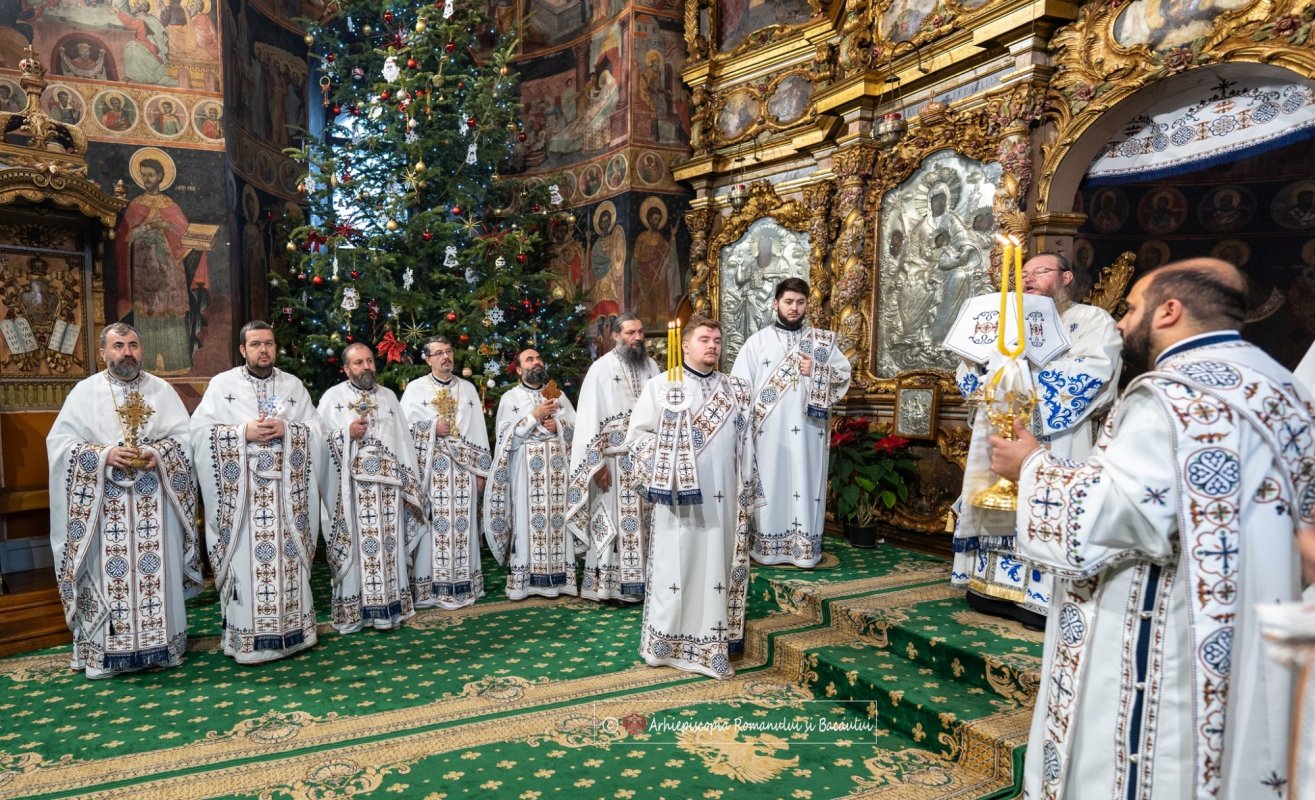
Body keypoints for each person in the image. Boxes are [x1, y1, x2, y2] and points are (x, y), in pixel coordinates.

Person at [988, 258, 1315, 800]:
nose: (1121, 322)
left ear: (1170, 310)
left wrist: (1031, 466)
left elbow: (1109, 518)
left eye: (1134, 307)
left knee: (1154, 761)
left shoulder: (1167, 397)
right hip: (1257, 615)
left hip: (1168, 623)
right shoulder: (1284, 389)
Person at [951, 252, 1121, 629]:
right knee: (997, 501)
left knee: (1043, 503)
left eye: (1040, 271)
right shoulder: (1004, 324)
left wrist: (1019, 379)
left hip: (1058, 438)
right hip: (1001, 430)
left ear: (1066, 278)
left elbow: (1094, 371)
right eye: (1023, 273)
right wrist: (991, 371)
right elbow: (967, 366)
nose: (1028, 278)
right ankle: (988, 587)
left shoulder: (1091, 320)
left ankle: (1039, 599)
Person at [47, 323, 203, 678]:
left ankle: (160, 648)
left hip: (155, 507)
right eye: (118, 346)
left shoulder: (161, 391)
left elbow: (184, 440)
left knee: (155, 578)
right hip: (105, 510)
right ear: (103, 352)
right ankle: (105, 653)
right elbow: (60, 447)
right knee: (107, 579)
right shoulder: (85, 393)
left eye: (133, 345)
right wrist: (103, 456)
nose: (127, 352)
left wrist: (157, 452)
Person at [626, 317, 757, 679]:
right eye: (704, 339)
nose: (712, 345)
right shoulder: (661, 387)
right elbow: (636, 440)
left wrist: (748, 493)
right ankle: (667, 644)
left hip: (724, 499)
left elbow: (747, 446)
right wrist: (669, 452)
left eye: (717, 340)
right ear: (684, 345)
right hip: (678, 502)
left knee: (718, 567)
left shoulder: (736, 390)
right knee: (676, 567)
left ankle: (715, 644)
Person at [190, 321, 322, 663]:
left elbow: (317, 431)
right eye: (256, 344)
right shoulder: (223, 385)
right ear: (242, 349)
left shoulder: (292, 386)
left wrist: (288, 429)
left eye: (269, 343)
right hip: (243, 503)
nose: (263, 350)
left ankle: (294, 634)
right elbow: (200, 433)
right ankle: (247, 640)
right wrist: (242, 432)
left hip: (286, 502)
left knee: (287, 566)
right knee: (248, 571)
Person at [730, 278, 851, 567]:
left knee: (804, 481)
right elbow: (739, 388)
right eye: (788, 302)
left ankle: (804, 550)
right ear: (776, 304)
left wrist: (818, 370)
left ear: (807, 304)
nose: (794, 308)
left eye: (800, 302)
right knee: (771, 482)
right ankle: (768, 548)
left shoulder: (821, 342)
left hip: (809, 431)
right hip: (767, 434)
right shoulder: (756, 342)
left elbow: (844, 376)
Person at [317, 343, 425, 633]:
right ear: (346, 368)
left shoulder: (388, 397)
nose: (366, 367)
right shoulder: (332, 398)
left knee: (389, 550)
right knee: (356, 551)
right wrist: (346, 434)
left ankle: (391, 608)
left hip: (388, 492)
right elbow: (318, 445)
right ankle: (355, 612)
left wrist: (407, 487)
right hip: (351, 494)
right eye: (358, 363)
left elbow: (403, 444)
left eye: (369, 361)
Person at [566, 314, 658, 603]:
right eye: (631, 332)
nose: (638, 338)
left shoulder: (652, 367)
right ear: (617, 336)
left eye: (641, 331)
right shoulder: (600, 370)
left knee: (647, 523)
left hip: (646, 460)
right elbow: (588, 422)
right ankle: (610, 587)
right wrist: (596, 465)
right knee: (614, 524)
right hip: (613, 465)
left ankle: (647, 584)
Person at [400, 336, 491, 610]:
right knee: (432, 528)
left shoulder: (469, 390)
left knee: (464, 527)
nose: (445, 357)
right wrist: (431, 428)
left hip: (464, 471)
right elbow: (403, 432)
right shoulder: (415, 390)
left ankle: (465, 584)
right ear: (427, 359)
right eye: (438, 353)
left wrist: (481, 472)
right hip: (431, 472)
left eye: (449, 351)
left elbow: (478, 432)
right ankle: (430, 589)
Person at [482, 348, 578, 600]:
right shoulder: (510, 398)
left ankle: (560, 580)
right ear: (518, 369)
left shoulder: (558, 394)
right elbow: (504, 439)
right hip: (526, 471)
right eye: (529, 359)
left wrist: (557, 425)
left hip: (557, 468)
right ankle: (526, 582)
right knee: (527, 523)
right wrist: (533, 417)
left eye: (538, 357)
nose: (536, 362)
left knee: (558, 522)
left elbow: (576, 428)